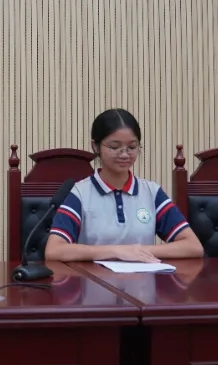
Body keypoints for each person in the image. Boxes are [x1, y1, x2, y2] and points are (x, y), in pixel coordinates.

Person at [44, 108, 204, 263]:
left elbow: (193, 246)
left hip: (144, 280)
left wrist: (138, 251)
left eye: (132, 147)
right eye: (114, 147)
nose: (125, 154)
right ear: (95, 146)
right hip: (94, 280)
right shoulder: (81, 193)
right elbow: (54, 250)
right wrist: (116, 252)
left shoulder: (151, 192)